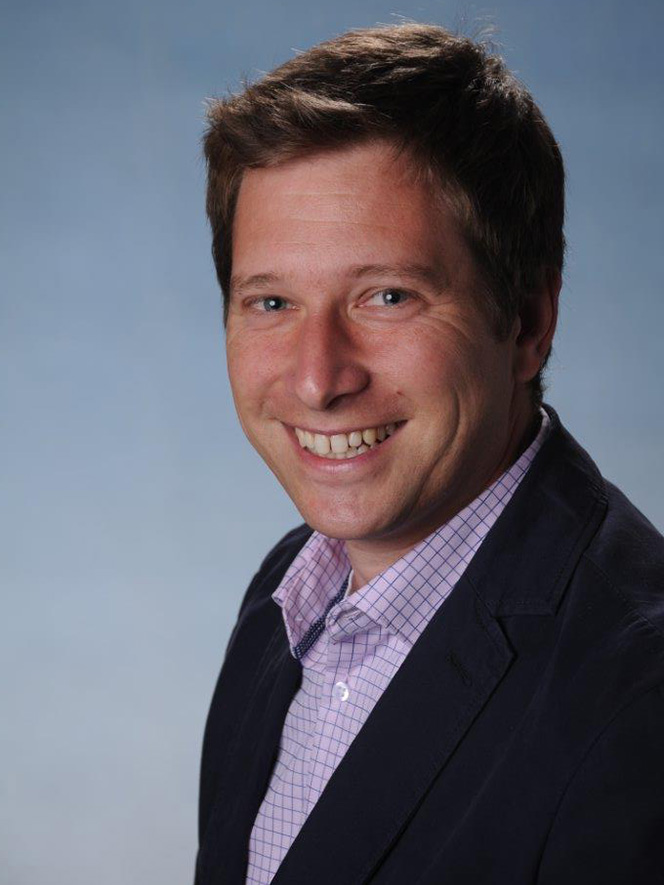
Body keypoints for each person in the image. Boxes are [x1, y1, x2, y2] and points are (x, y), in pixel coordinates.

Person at [195, 23, 664, 885]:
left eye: (387, 296)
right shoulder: (283, 595)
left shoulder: (636, 703)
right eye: (272, 302)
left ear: (526, 323)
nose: (317, 379)